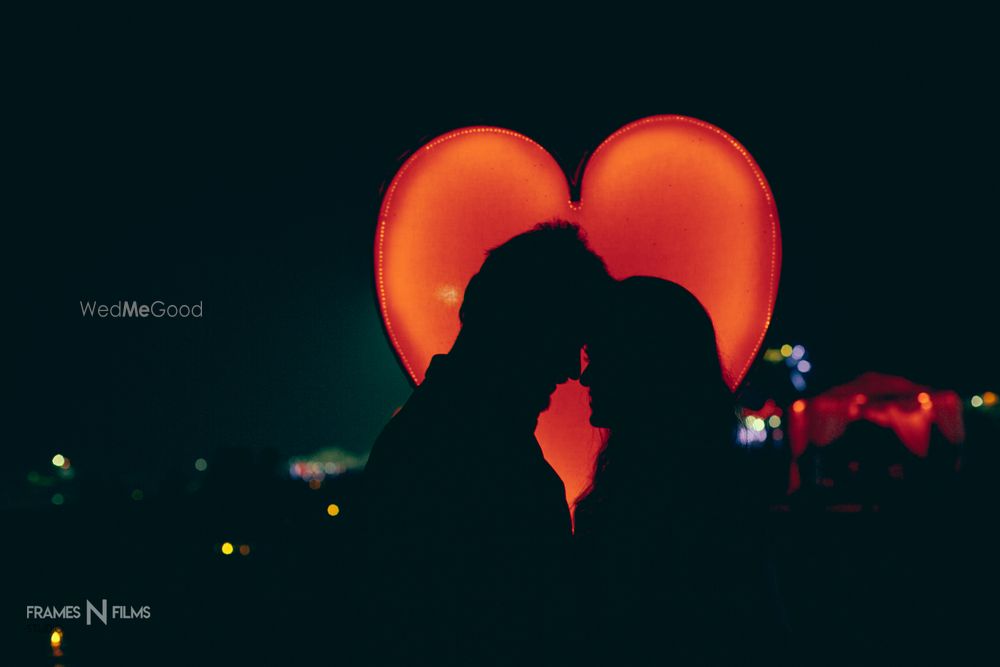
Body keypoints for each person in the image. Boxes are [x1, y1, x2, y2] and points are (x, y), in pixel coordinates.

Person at [361, 221, 612, 665]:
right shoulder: (473, 462)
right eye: (567, 338)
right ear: (522, 327)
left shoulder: (434, 441)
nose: (573, 370)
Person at [573, 277, 788, 665]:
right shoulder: (710, 492)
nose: (584, 376)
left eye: (597, 357)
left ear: (639, 365)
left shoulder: (660, 506)